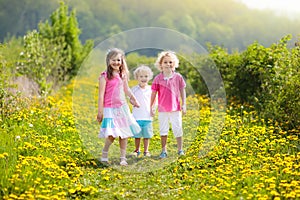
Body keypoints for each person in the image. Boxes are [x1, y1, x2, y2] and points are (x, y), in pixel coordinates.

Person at [97, 48, 141, 166]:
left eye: (118, 60)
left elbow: (126, 90)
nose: (116, 62)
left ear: (122, 61)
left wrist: (134, 99)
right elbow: (101, 95)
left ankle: (123, 158)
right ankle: (104, 154)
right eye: (113, 60)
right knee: (111, 135)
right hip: (109, 109)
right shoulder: (104, 76)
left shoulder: (123, 75)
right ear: (108, 61)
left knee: (124, 133)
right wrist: (100, 111)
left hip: (122, 107)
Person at [150, 50, 186, 158]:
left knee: (178, 128)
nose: (168, 64)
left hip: (176, 109)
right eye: (165, 62)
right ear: (160, 64)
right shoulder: (158, 78)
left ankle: (180, 150)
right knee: (163, 129)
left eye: (170, 62)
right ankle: (164, 151)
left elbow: (182, 90)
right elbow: (153, 93)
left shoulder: (178, 77)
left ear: (174, 64)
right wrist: (151, 106)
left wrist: (184, 104)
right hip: (162, 109)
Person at [131, 65, 155, 157]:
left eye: (146, 76)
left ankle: (146, 151)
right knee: (137, 135)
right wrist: (133, 102)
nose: (143, 78)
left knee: (146, 135)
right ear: (137, 78)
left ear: (149, 77)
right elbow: (130, 98)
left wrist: (153, 109)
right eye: (141, 76)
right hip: (136, 116)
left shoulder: (151, 89)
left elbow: (154, 100)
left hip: (147, 116)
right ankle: (137, 150)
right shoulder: (134, 89)